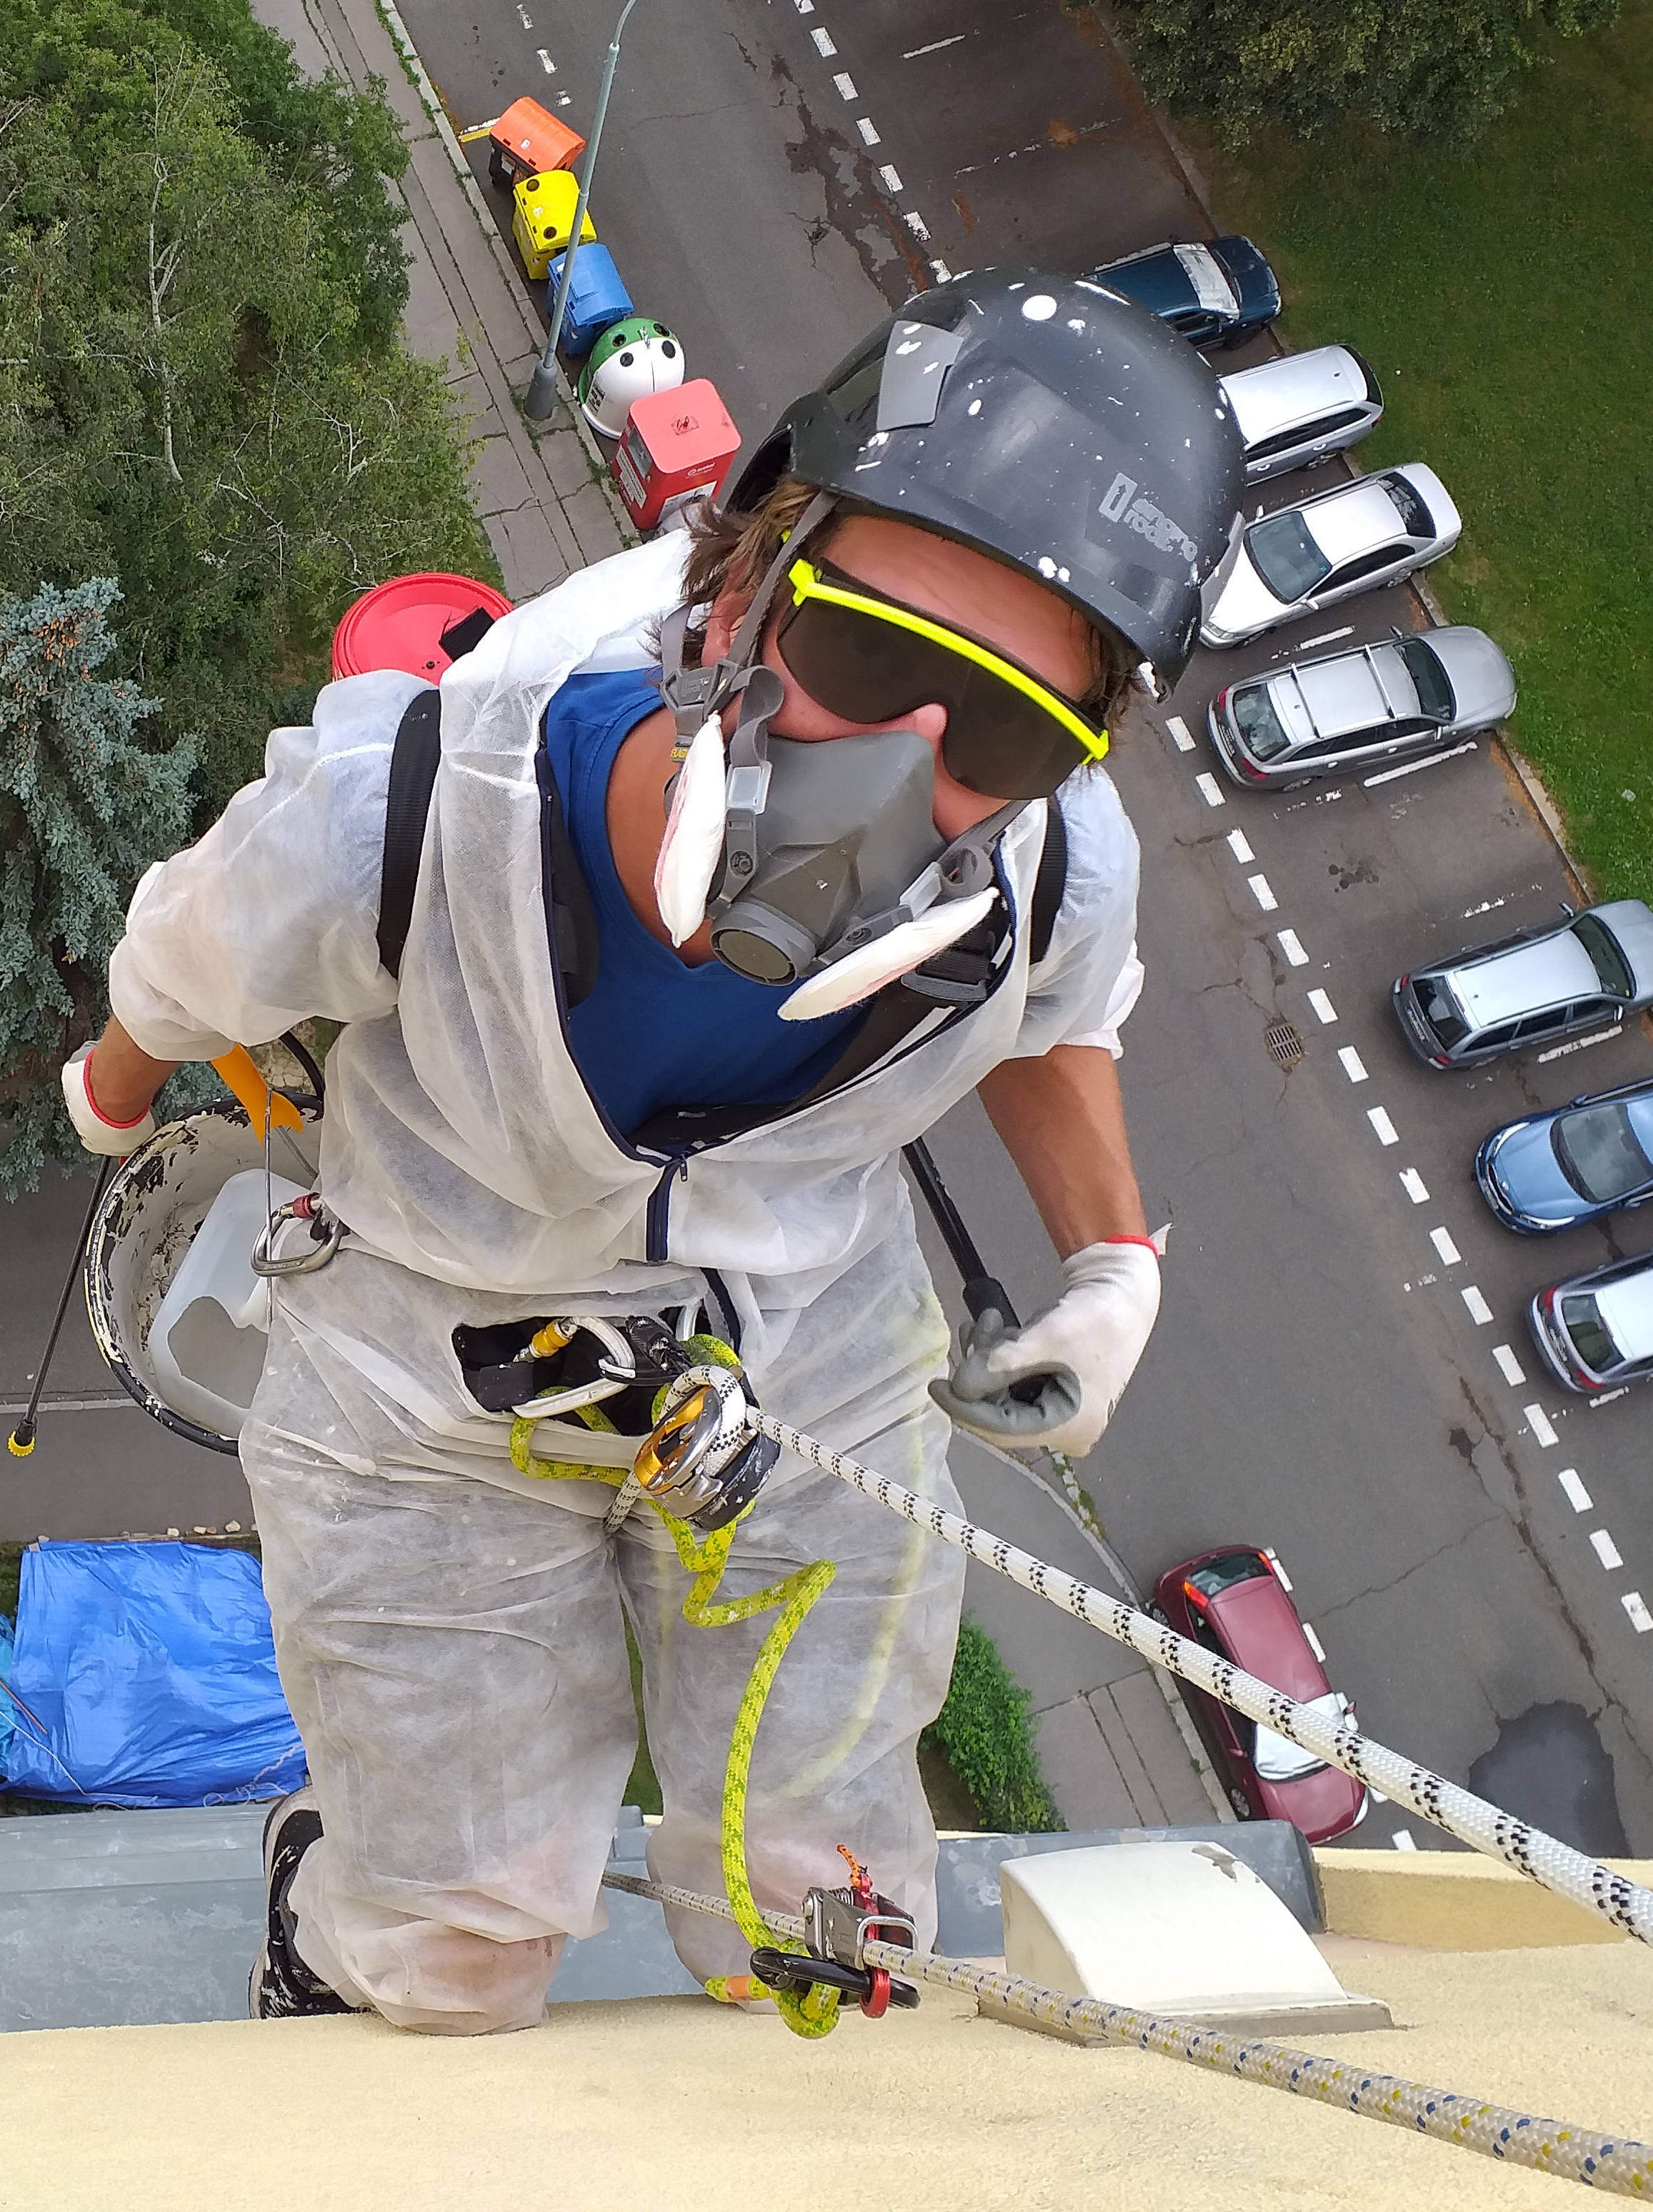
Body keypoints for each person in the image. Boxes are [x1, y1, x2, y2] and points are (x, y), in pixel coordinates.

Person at [61, 269, 1241, 2033]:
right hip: (426, 1389)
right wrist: (109, 1086)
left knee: (820, 1943)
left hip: (810, 1364)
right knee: (449, 1958)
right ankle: (340, 1903)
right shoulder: (405, 813)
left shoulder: (1054, 861)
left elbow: (1054, 1020)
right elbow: (176, 969)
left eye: (1001, 729)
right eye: (862, 657)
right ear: (741, 574)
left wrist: (1113, 1265)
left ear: (1067, 757)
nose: (897, 774)